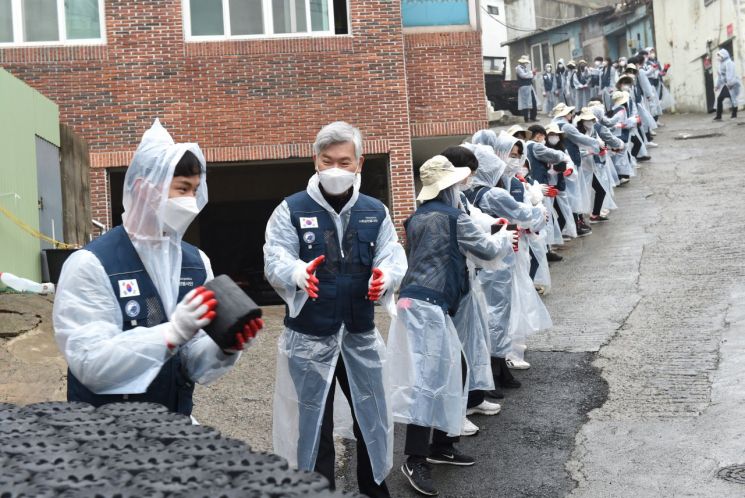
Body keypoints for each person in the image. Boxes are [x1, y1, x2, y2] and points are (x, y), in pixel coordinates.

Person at [53, 120, 264, 415]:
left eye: (195, 190)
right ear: (143, 189)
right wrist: (173, 332)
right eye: (182, 189)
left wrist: (225, 345)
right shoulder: (92, 264)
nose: (191, 201)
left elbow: (191, 363)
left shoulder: (195, 263)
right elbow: (91, 363)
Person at [265, 121, 406, 497]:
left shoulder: (375, 211)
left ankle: (375, 490)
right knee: (313, 424)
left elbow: (392, 253)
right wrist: (296, 272)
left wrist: (386, 276)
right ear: (315, 161)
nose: (336, 170)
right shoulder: (291, 209)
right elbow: (275, 254)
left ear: (359, 163)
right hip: (310, 336)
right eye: (328, 161)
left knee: (371, 419)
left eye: (344, 162)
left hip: (359, 334)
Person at [388, 155, 509, 497]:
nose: (461, 188)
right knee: (429, 380)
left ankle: (442, 443)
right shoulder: (455, 217)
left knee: (454, 369)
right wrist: (505, 235)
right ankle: (415, 458)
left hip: (417, 301)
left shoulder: (416, 217)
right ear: (449, 187)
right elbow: (485, 250)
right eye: (457, 184)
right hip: (428, 304)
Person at [441, 145, 515, 438]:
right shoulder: (443, 205)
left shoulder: (457, 199)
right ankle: (453, 415)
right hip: (452, 286)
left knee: (474, 342)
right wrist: (502, 237)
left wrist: (493, 223)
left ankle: (472, 398)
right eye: (468, 174)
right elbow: (475, 237)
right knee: (457, 349)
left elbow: (473, 218)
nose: (471, 179)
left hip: (465, 281)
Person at [714, 48, 741, 120]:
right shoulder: (720, 65)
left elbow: (731, 73)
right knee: (720, 98)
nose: (718, 57)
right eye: (718, 55)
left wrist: (730, 83)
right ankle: (719, 116)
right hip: (726, 84)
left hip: (732, 83)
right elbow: (720, 76)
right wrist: (717, 85)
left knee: (733, 98)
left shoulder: (729, 63)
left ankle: (734, 115)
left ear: (724, 55)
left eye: (719, 55)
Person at [516, 55, 539, 122]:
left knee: (533, 102)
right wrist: (532, 72)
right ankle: (526, 118)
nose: (525, 63)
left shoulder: (526, 68)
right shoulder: (518, 68)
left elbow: (530, 76)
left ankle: (533, 116)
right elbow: (524, 76)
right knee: (525, 103)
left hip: (529, 86)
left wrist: (533, 74)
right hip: (523, 87)